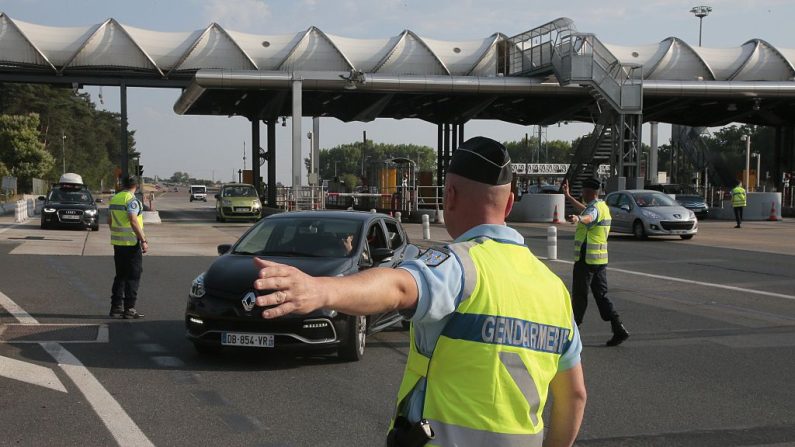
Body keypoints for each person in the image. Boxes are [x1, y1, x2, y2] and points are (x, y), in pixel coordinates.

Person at [252, 137, 586, 447]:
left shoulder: (461, 265)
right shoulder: (553, 289)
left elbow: (398, 286)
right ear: (510, 202)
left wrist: (321, 289)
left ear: (449, 195)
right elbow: (574, 396)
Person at [562, 177, 629, 347]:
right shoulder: (601, 206)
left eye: (583, 191)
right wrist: (569, 197)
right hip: (599, 260)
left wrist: (578, 219)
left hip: (586, 260)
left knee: (579, 295)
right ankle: (618, 327)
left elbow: (588, 217)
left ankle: (572, 336)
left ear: (589, 192)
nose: (582, 194)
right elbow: (587, 211)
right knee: (601, 295)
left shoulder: (594, 210)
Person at [108, 176, 147, 319]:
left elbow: (109, 220)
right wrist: (143, 240)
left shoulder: (115, 198)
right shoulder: (132, 201)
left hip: (118, 243)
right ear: (136, 185)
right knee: (133, 276)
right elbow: (133, 220)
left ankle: (115, 307)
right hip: (131, 244)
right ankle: (129, 308)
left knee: (120, 275)